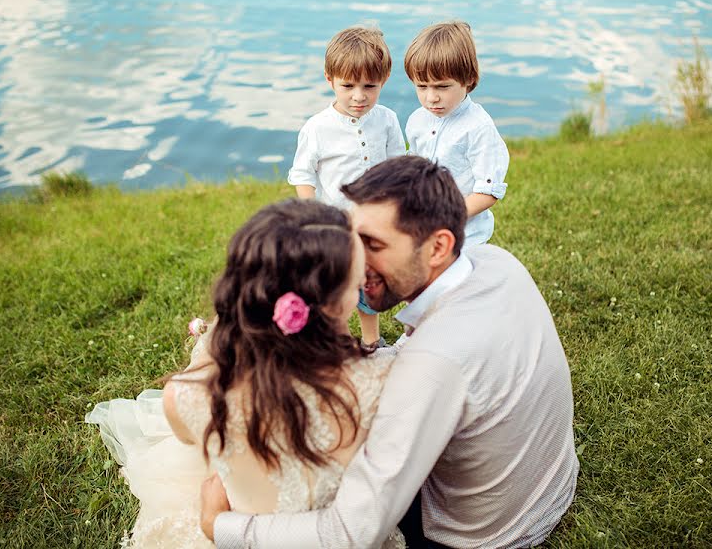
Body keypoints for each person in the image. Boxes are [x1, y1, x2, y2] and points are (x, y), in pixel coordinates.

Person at [203, 155, 579, 548]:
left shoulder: (433, 366)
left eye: (373, 244)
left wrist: (220, 526)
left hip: (483, 534)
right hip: (550, 483)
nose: (352, 259)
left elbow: (349, 534)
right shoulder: (495, 262)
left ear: (438, 247)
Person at [87, 199, 404, 548]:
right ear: (339, 303)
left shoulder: (183, 397)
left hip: (235, 535)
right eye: (356, 282)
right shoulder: (382, 383)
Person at [288, 25, 407, 348]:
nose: (359, 96)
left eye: (370, 86)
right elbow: (302, 173)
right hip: (335, 225)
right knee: (336, 285)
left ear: (383, 80)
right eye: (348, 85)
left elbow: (398, 165)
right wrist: (312, 213)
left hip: (374, 224)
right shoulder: (318, 128)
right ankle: (335, 339)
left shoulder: (386, 120)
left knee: (369, 284)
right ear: (330, 79)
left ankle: (371, 341)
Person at [404, 20, 510, 246]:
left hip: (466, 234)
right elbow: (415, 162)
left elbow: (488, 191)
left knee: (461, 280)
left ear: (469, 79)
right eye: (422, 86)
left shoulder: (478, 128)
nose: (431, 97)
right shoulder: (417, 120)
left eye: (442, 87)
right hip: (425, 226)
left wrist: (449, 216)